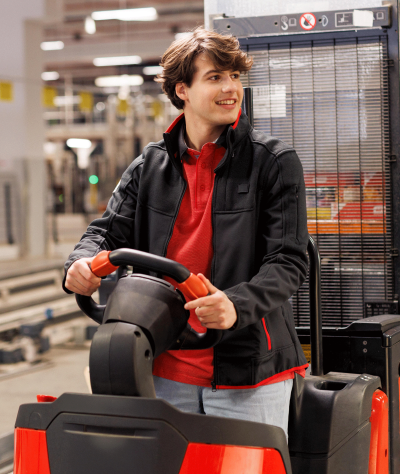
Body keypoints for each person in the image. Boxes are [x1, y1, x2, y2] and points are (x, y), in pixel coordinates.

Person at [63, 26, 308, 437]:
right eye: (215, 77)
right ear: (182, 90)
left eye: (234, 77)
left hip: (248, 375)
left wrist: (235, 304)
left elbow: (287, 262)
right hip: (163, 369)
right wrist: (81, 264)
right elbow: (105, 233)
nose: (231, 88)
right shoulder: (149, 167)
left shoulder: (274, 162)